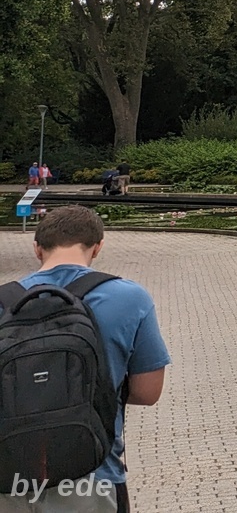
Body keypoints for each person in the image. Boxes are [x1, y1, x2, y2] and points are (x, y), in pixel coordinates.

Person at [6, 204, 169, 511]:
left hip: (10, 477)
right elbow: (148, 392)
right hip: (94, 476)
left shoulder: (3, 302)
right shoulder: (130, 297)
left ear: (37, 249)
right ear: (97, 247)